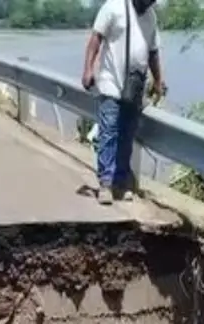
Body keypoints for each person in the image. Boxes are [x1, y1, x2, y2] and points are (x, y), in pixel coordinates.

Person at [81, 0, 164, 204]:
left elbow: (153, 51)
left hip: (134, 86)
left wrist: (158, 80)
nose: (150, 4)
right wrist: (88, 69)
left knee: (127, 134)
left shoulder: (151, 16)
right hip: (111, 81)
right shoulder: (113, 7)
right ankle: (105, 184)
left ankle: (121, 181)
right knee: (109, 131)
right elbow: (95, 39)